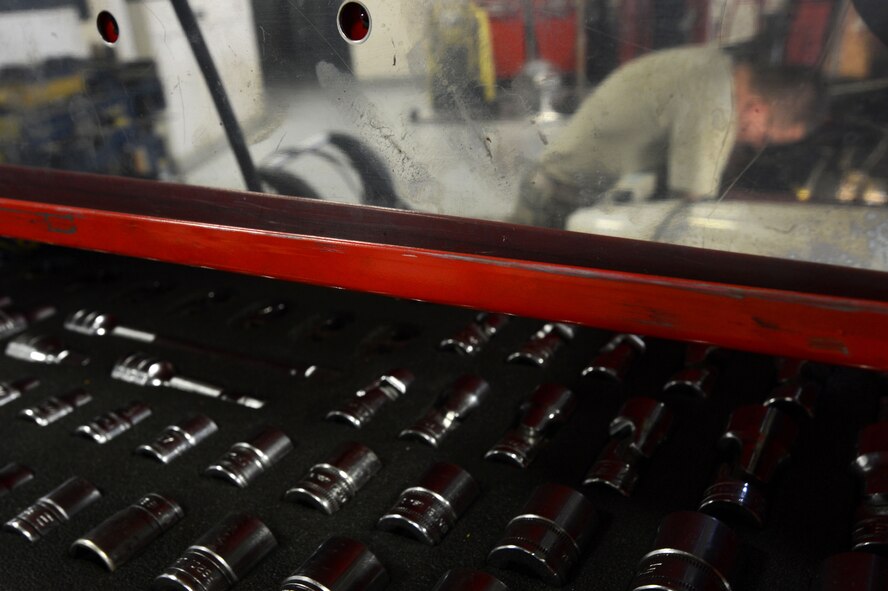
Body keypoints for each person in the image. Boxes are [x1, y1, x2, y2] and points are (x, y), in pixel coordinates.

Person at [511, 45, 827, 228]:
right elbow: (696, 202)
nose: (757, 145)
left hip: (566, 195)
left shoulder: (715, 67)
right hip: (554, 204)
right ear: (757, 110)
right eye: (766, 138)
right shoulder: (714, 97)